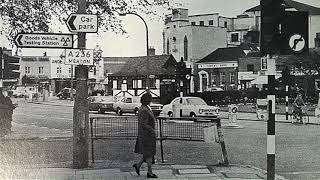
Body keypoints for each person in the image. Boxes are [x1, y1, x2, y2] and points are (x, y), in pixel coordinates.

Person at [133, 93, 157, 178]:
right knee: (149, 154)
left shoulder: (145, 108)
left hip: (146, 135)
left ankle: (138, 166)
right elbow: (144, 124)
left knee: (147, 153)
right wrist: (152, 131)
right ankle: (149, 172)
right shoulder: (144, 110)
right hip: (146, 135)